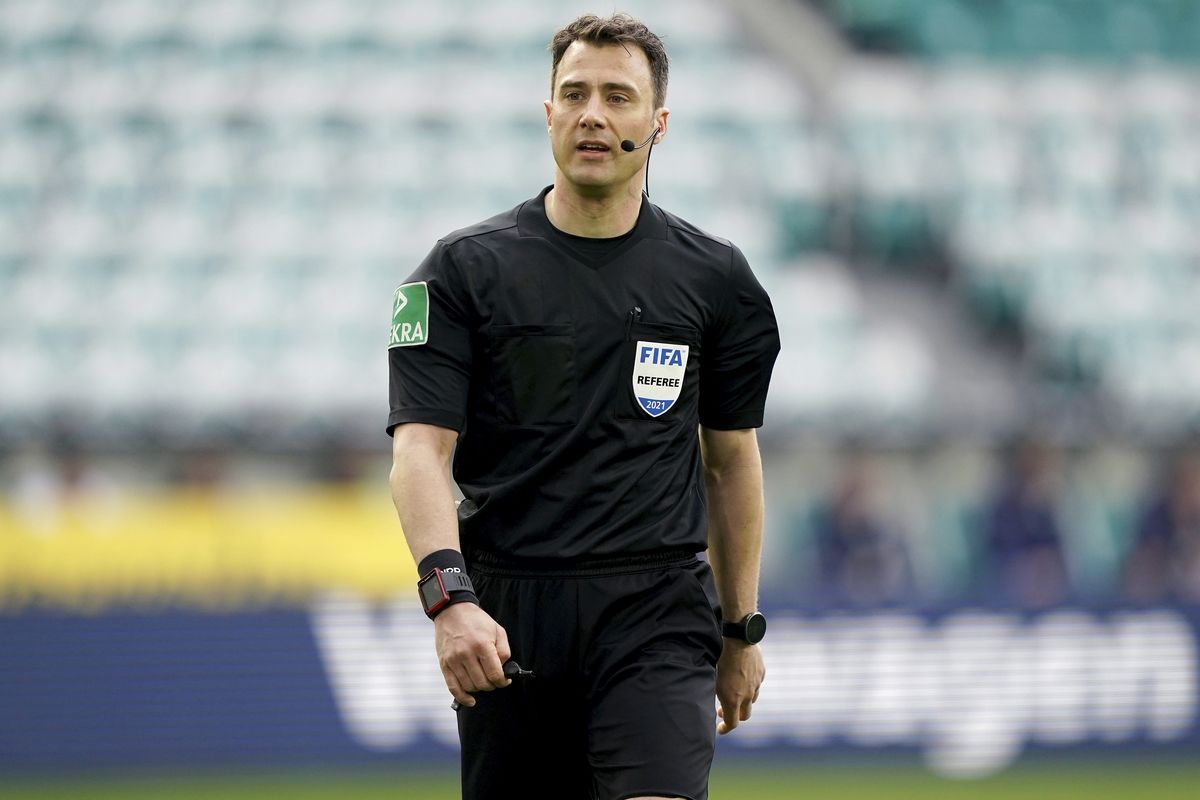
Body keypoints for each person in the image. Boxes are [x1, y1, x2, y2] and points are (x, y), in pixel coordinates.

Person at [387, 14, 780, 800]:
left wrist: (740, 630)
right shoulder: (458, 273)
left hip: (657, 610)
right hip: (510, 613)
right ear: (549, 115)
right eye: (574, 94)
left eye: (617, 96)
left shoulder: (718, 280)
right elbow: (419, 454)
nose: (592, 114)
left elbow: (730, 462)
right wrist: (449, 602)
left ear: (657, 123)